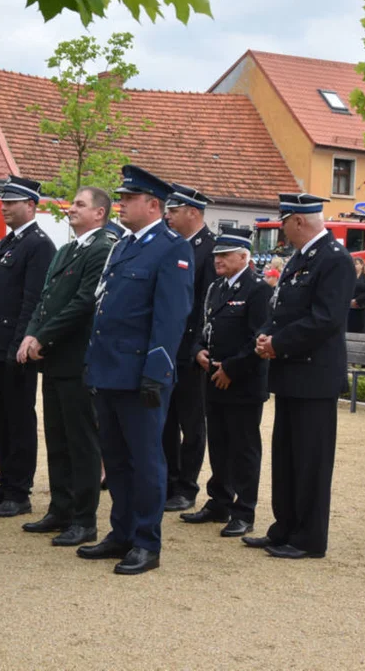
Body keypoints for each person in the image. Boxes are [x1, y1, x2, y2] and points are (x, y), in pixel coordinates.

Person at [77, 165, 193, 576]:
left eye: (128, 198)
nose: (120, 204)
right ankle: (121, 532)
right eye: (120, 198)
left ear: (153, 205)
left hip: (141, 374)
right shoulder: (124, 246)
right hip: (109, 370)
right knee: (117, 459)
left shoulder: (171, 248)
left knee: (146, 462)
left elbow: (169, 319)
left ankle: (147, 542)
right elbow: (106, 310)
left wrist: (155, 374)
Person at [246, 193, 354, 560]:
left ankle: (309, 538)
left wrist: (279, 343)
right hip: (292, 372)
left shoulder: (334, 260)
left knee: (310, 460)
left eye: (283, 223)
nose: (282, 231)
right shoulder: (302, 257)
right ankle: (285, 527)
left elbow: (326, 319)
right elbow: (280, 309)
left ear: (298, 221)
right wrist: (265, 336)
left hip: (314, 375)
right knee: (287, 458)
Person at [17, 187, 114, 546]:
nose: (71, 209)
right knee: (57, 437)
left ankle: (84, 519)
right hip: (55, 357)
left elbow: (84, 303)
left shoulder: (102, 248)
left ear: (99, 214)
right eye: (72, 203)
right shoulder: (68, 249)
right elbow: (46, 298)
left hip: (78, 358)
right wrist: (30, 334)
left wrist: (42, 336)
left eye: (79, 205)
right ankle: (60, 509)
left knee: (81, 441)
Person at [0, 176, 56, 518]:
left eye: (13, 202)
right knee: (3, 418)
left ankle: (20, 491)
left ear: (31, 205)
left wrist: (20, 343)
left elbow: (33, 300)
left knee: (19, 418)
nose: (4, 207)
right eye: (3, 202)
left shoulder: (38, 244)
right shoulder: (9, 241)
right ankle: (6, 482)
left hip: (14, 348)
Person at [182, 229, 271, 538]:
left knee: (244, 448)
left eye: (225, 255)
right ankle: (219, 500)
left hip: (242, 382)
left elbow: (257, 337)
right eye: (216, 255)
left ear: (244, 257)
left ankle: (244, 510)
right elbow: (203, 327)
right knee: (219, 444)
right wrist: (197, 352)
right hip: (213, 378)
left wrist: (232, 369)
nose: (217, 260)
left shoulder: (258, 290)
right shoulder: (216, 287)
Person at [160, 183, 215, 513]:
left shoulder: (209, 249)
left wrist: (199, 346)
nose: (168, 215)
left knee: (191, 423)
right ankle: (168, 479)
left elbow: (209, 305)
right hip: (168, 347)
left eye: (174, 211)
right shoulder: (173, 247)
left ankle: (187, 486)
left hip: (191, 350)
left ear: (193, 213)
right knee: (165, 420)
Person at [348, 257, 365, 333]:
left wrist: (356, 300)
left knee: (360, 328)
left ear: (362, 265)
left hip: (361, 306)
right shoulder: (349, 277)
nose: (354, 266)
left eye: (356, 264)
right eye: (353, 264)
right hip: (349, 306)